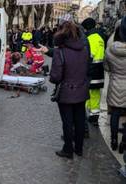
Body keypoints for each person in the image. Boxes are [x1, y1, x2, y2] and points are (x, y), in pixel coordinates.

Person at [50, 21, 89, 159]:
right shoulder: (84, 49)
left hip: (66, 92)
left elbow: (55, 76)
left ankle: (68, 149)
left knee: (67, 122)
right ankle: (79, 148)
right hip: (82, 90)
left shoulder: (59, 51)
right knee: (79, 121)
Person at [104, 18, 126, 151]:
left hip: (115, 83)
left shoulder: (110, 50)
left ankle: (113, 140)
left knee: (115, 114)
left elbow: (106, 67)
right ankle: (124, 142)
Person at [81, 18, 105, 126]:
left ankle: (89, 115)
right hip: (99, 70)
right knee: (95, 93)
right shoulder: (101, 37)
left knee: (87, 93)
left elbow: (88, 55)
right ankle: (94, 115)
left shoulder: (90, 38)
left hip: (91, 69)